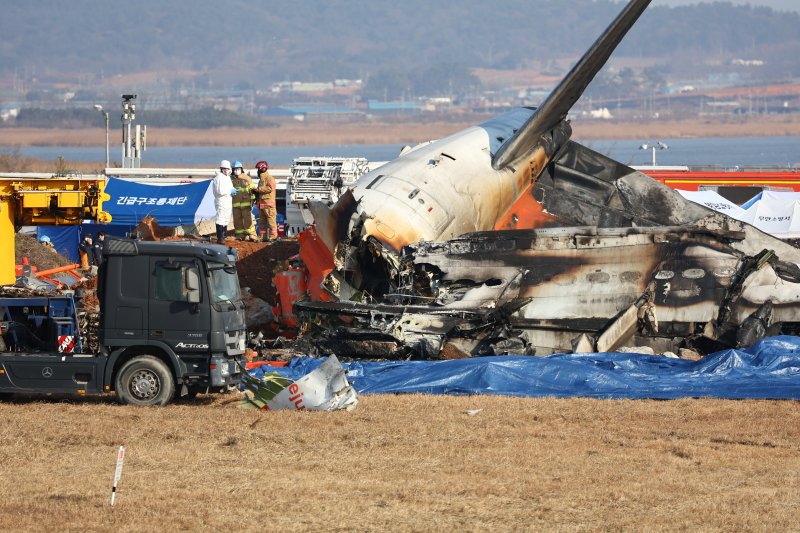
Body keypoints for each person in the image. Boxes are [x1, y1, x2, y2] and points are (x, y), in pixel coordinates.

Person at [230, 161, 258, 241]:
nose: (236, 170)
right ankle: (240, 235)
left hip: (245, 203)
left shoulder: (247, 178)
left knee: (248, 220)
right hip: (235, 204)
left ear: (241, 169)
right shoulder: (230, 179)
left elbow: (252, 190)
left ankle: (252, 235)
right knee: (237, 220)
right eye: (234, 169)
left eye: (238, 169)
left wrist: (253, 201)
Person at [212, 159, 235, 244]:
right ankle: (220, 238)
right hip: (221, 200)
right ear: (222, 169)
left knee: (226, 218)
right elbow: (220, 191)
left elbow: (230, 188)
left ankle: (224, 236)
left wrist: (233, 190)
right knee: (220, 218)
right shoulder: (218, 178)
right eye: (225, 169)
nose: (227, 170)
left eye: (228, 169)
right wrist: (230, 191)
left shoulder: (227, 178)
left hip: (228, 200)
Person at [255, 160, 278, 242]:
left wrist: (258, 189)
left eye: (258, 169)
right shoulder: (261, 180)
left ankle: (273, 236)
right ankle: (262, 237)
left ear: (262, 169)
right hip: (261, 205)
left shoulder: (269, 178)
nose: (257, 171)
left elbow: (270, 188)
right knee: (262, 222)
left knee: (271, 221)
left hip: (268, 205)